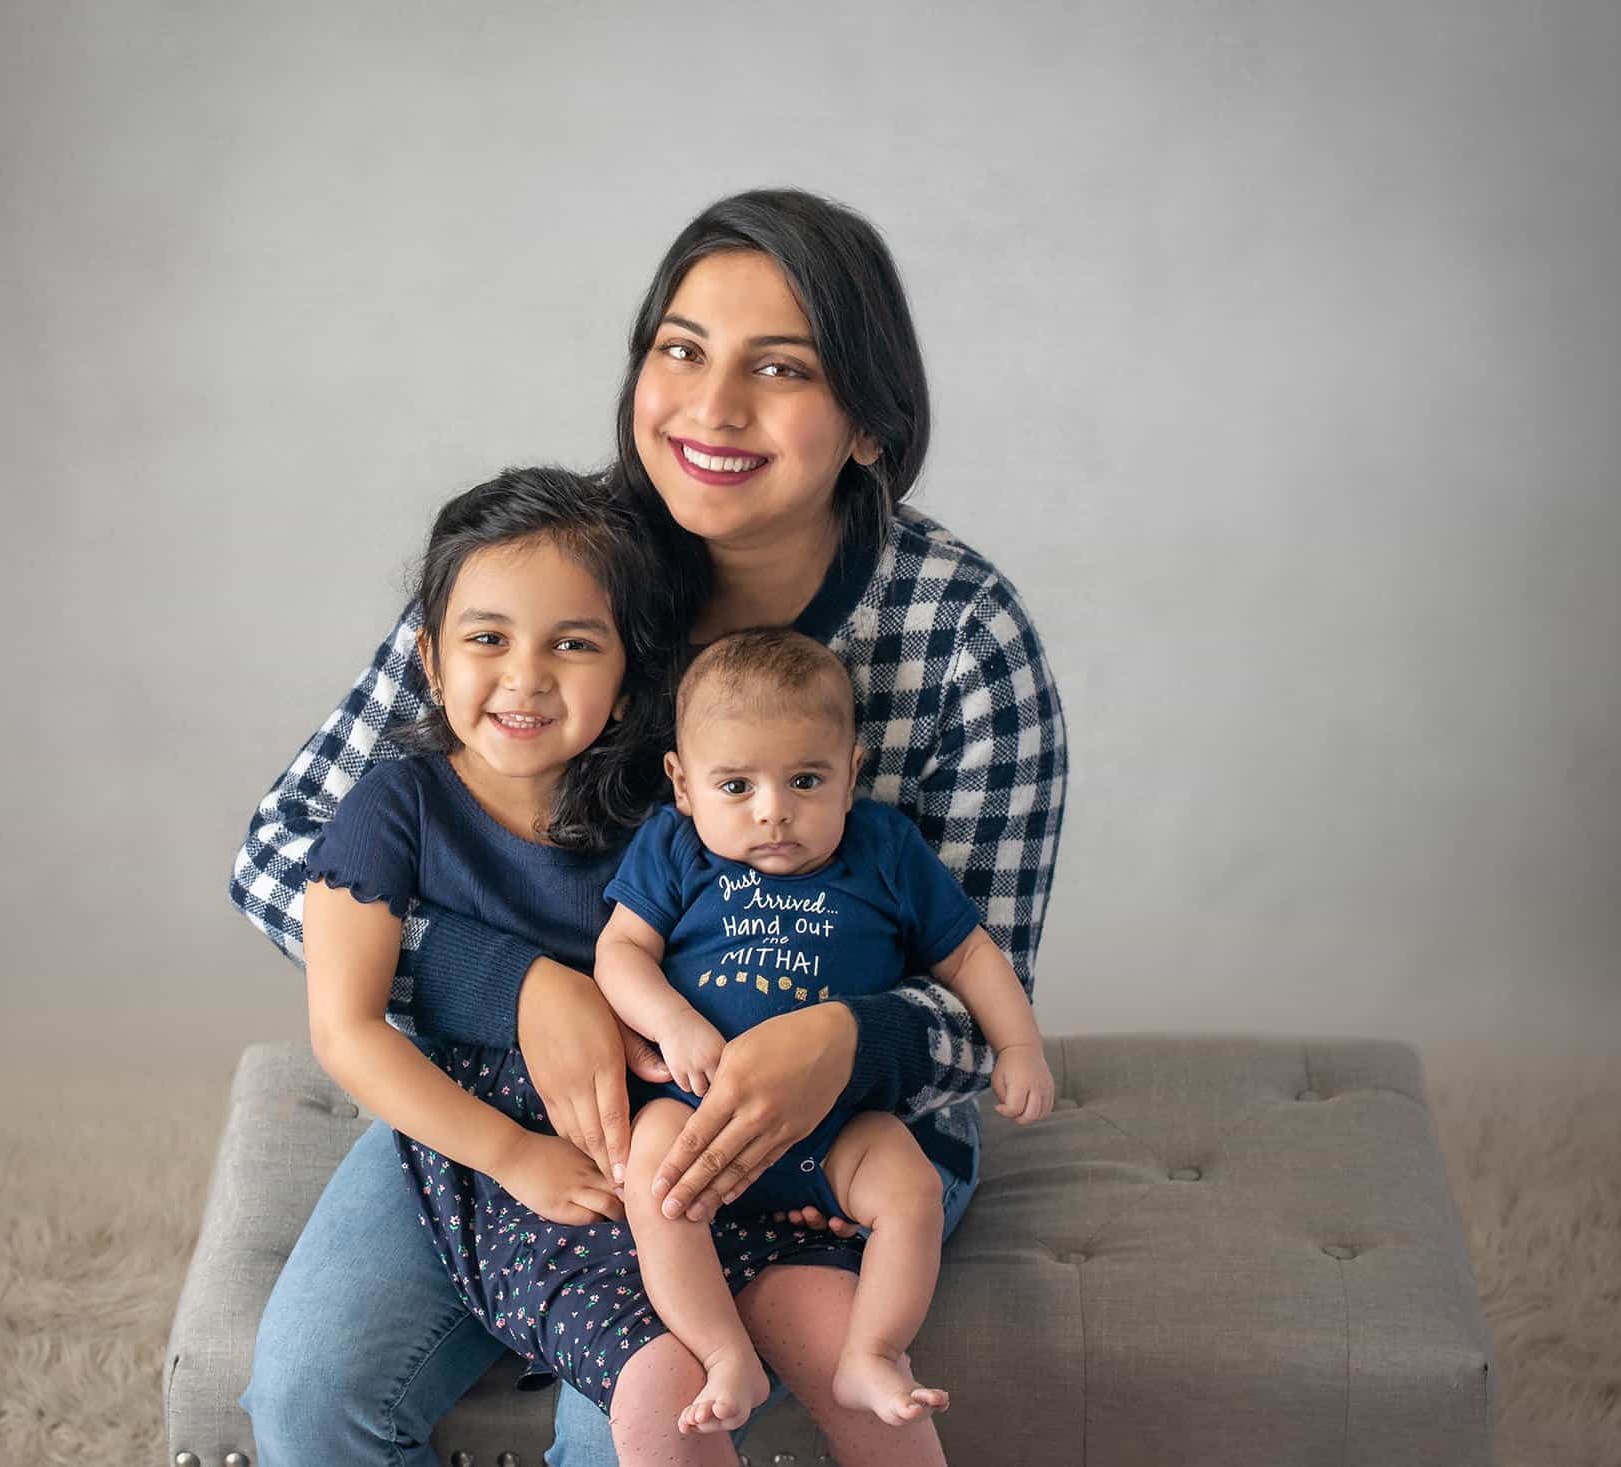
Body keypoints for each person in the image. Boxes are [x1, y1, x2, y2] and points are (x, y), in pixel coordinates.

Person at [237, 188, 1068, 1467]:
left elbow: (982, 991)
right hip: (517, 1097)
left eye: (777, 369)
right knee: (311, 1397)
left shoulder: (963, 641)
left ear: (867, 425)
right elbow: (285, 849)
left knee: (636, 1416)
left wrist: (847, 1042)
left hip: (834, 1131)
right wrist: (505, 982)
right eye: (678, 351)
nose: (711, 409)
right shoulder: (547, 572)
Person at [293, 466, 868, 1465]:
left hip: (651, 1137)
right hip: (472, 1133)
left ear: (625, 674)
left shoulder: (675, 812)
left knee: (661, 1392)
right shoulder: (394, 807)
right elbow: (343, 1030)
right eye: (487, 639)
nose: (523, 678)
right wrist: (510, 1155)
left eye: (572, 644)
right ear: (429, 658)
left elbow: (772, 966)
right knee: (312, 1394)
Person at [595, 628, 1055, 1446]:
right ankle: (721, 1348)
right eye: (735, 785)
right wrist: (673, 1021)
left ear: (852, 773)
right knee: (652, 1178)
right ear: (684, 784)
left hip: (839, 1121)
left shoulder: (883, 849)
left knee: (907, 1188)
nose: (772, 809)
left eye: (805, 779)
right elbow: (620, 952)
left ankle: (873, 1350)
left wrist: (1019, 1046)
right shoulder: (673, 850)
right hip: (701, 1112)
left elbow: (972, 953)